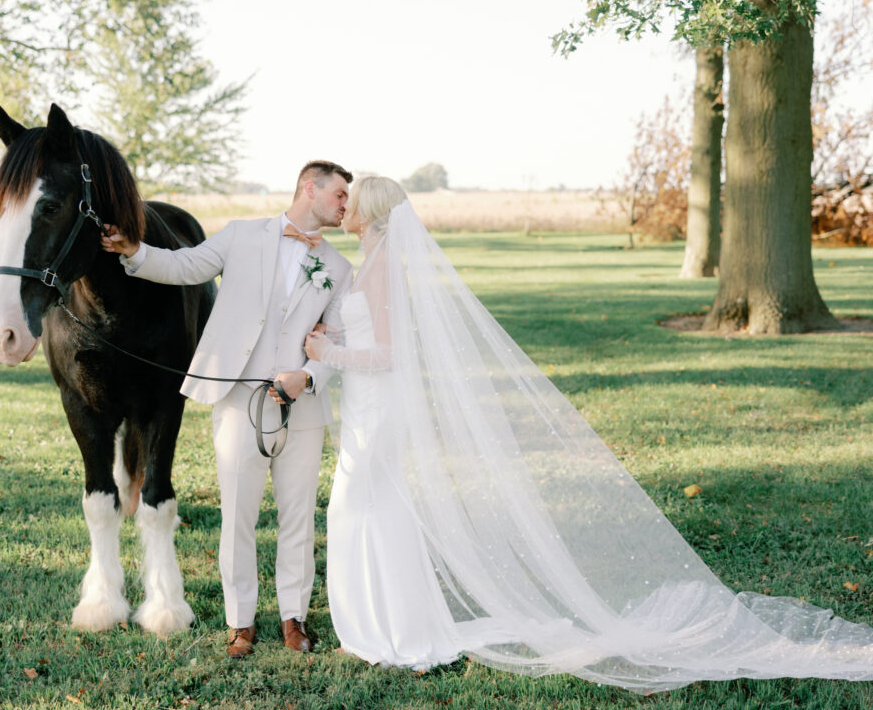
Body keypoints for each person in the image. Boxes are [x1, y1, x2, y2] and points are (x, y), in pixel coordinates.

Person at [304, 175, 873, 692]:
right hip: (365, 406)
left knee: (359, 509)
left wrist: (328, 350)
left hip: (377, 408)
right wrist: (329, 333)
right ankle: (387, 622)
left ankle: (390, 628)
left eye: (351, 202)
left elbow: (387, 353)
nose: (344, 207)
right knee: (379, 511)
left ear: (371, 212)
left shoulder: (379, 270)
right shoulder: (370, 261)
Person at [101, 160, 353, 659]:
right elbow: (187, 266)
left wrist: (309, 376)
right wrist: (134, 252)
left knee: (298, 518)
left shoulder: (340, 268)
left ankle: (293, 618)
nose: (347, 204)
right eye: (341, 194)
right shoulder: (241, 235)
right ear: (310, 187)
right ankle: (241, 622)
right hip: (238, 399)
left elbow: (340, 338)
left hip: (301, 408)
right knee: (237, 516)